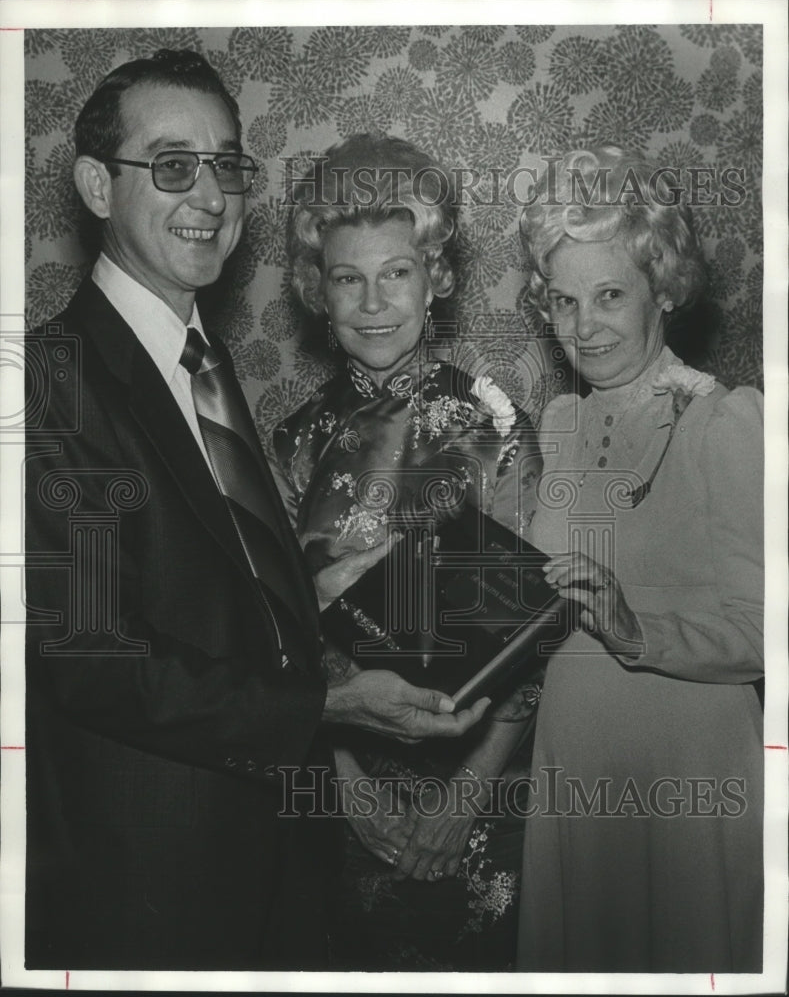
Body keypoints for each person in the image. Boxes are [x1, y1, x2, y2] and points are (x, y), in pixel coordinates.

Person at [23, 52, 488, 973]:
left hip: (272, 858)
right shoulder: (49, 381)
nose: (210, 194)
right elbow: (93, 660)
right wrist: (333, 703)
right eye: (170, 165)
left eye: (226, 164)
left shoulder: (204, 359)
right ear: (95, 187)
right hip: (148, 879)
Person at [274, 134, 544, 971]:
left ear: (437, 278)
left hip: (482, 789)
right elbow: (281, 636)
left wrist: (467, 798)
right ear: (317, 292)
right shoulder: (288, 443)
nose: (372, 300)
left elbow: (538, 633)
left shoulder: (495, 425)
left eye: (396, 271)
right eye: (347, 278)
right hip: (343, 789)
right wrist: (347, 780)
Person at [515, 146, 764, 973]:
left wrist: (634, 627)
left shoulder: (724, 423)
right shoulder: (556, 423)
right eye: (561, 300)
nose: (582, 326)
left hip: (689, 771)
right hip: (572, 757)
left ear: (662, 288)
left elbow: (764, 635)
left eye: (609, 295)